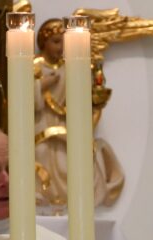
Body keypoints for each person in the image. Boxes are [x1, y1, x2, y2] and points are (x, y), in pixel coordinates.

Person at [33, 18, 124, 211]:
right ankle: (43, 196)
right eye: (56, 42)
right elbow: (21, 99)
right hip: (40, 125)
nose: (60, 47)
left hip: (64, 125)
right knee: (40, 153)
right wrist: (42, 85)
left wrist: (93, 97)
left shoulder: (69, 67)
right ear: (43, 42)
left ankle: (69, 201)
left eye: (63, 43)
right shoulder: (35, 66)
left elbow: (78, 98)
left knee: (70, 161)